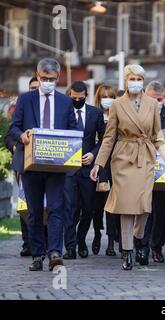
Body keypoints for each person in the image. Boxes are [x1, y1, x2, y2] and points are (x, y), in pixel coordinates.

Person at [90, 64, 165, 271]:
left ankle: (139, 238)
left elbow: (157, 136)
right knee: (126, 207)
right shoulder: (117, 105)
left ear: (143, 81)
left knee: (144, 207)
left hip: (145, 158)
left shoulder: (152, 104)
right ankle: (128, 251)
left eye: (139, 79)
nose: (136, 82)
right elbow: (109, 137)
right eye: (132, 78)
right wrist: (99, 163)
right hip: (123, 159)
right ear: (126, 80)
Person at [8, 58, 78, 271]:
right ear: (38, 77)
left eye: (52, 79)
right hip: (31, 165)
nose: (48, 82)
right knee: (35, 211)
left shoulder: (65, 102)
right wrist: (23, 136)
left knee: (56, 208)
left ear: (58, 78)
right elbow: (13, 129)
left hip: (56, 165)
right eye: (44, 78)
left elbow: (74, 131)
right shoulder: (25, 100)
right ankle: (37, 254)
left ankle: (55, 252)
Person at [137, 81, 165, 265]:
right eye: (152, 99)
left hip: (164, 171)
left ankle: (156, 247)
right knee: (143, 210)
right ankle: (142, 247)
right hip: (142, 168)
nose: (156, 102)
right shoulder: (137, 113)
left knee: (161, 211)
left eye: (160, 99)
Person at [62, 81, 105, 260]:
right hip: (69, 169)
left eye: (80, 98)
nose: (77, 101)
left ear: (86, 96)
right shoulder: (63, 112)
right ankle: (70, 247)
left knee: (88, 209)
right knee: (70, 209)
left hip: (88, 169)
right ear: (69, 96)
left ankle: (81, 240)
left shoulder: (96, 113)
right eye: (74, 98)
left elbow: (104, 140)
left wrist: (94, 155)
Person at [5, 76, 43, 257]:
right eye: (32, 87)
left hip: (44, 165)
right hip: (24, 165)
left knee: (43, 206)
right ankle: (27, 242)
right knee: (24, 204)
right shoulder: (23, 107)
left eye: (38, 87)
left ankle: (43, 241)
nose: (34, 90)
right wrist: (14, 144)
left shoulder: (46, 110)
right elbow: (10, 134)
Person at [92, 84, 120, 256]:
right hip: (98, 164)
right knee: (96, 206)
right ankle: (96, 234)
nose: (107, 99)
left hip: (115, 165)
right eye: (104, 96)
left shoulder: (118, 116)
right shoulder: (94, 115)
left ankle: (111, 241)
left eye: (110, 96)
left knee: (112, 206)